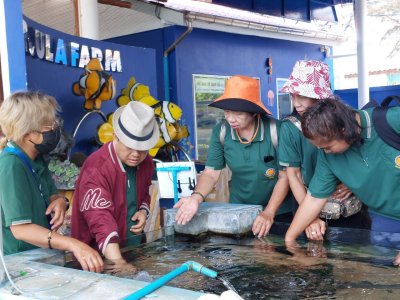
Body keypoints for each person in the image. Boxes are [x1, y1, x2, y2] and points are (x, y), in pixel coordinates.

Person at [284, 97, 400, 264]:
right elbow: (315, 198)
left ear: (344, 130)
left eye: (327, 147)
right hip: (383, 218)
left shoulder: (390, 121)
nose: (324, 152)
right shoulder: (326, 156)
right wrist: (290, 239)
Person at [174, 75, 292, 237]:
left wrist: (269, 212)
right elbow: (210, 173)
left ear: (254, 113)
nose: (230, 119)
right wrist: (196, 198)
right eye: (227, 112)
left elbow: (285, 176)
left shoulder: (276, 130)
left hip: (279, 212)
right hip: (240, 211)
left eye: (238, 113)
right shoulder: (221, 132)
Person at [0, 91, 103, 273]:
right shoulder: (11, 165)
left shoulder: (35, 158)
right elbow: (21, 229)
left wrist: (61, 201)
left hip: (41, 257)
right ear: (28, 134)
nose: (55, 129)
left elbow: (52, 194)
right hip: (20, 266)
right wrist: (73, 245)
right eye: (49, 125)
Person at [279, 60, 368, 240]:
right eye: (293, 96)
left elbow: (367, 157)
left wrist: (354, 184)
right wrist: (310, 218)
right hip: (308, 203)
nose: (297, 103)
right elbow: (293, 175)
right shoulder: (290, 128)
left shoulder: (349, 119)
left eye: (302, 96)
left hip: (349, 206)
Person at [71, 101, 159, 272]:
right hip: (96, 257)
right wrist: (118, 263)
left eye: (142, 149)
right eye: (130, 147)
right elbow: (100, 219)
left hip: (133, 248)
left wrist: (143, 210)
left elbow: (145, 193)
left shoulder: (146, 162)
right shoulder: (96, 167)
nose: (136, 154)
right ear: (115, 136)